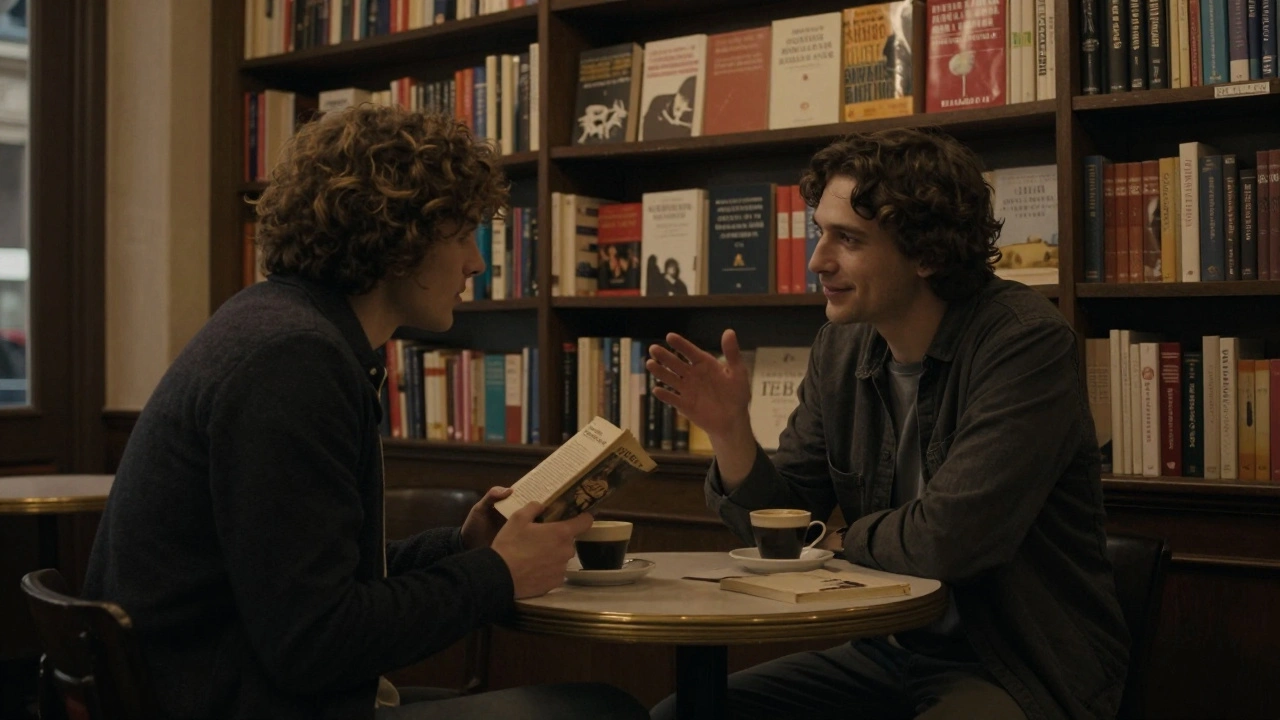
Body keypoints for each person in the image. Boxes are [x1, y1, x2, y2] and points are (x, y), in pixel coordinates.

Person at [81, 105, 649, 720]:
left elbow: (305, 580)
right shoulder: (294, 363)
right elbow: (315, 643)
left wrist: (463, 547)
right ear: (398, 235)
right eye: (460, 235)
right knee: (600, 710)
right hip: (235, 701)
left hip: (216, 687)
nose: (476, 263)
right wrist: (496, 574)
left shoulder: (276, 326)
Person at [647, 128, 1129, 720]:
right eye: (820, 231)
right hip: (887, 651)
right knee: (685, 714)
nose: (818, 260)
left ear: (927, 254)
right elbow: (787, 527)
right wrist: (730, 433)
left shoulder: (1025, 343)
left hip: (1013, 663)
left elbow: (950, 541)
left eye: (847, 239)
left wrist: (846, 540)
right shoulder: (841, 347)